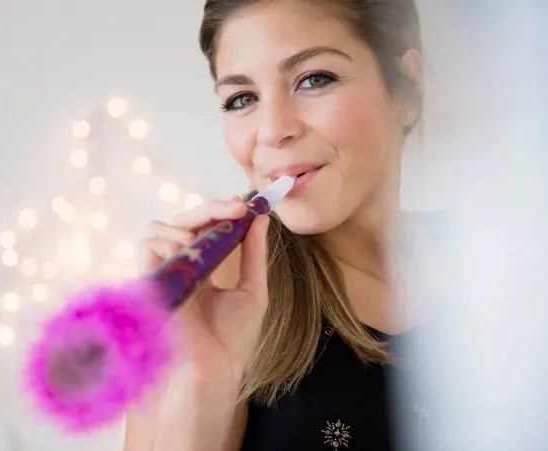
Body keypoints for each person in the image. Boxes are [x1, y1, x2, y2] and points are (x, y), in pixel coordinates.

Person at [125, 0, 428, 449]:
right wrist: (197, 393)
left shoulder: (508, 264)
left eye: (313, 79)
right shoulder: (213, 294)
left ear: (405, 90)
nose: (272, 130)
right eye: (241, 99)